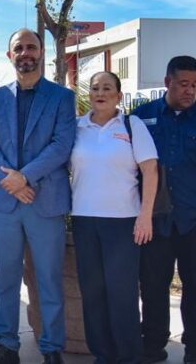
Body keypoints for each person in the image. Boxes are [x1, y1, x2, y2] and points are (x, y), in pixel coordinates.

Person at [130, 55, 196, 364]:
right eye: (183, 84)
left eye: (194, 84)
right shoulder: (142, 117)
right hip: (155, 218)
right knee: (152, 285)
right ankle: (152, 346)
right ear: (167, 82)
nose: (190, 91)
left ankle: (195, 349)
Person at [0, 29, 76, 364]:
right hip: (6, 202)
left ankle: (51, 348)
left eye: (31, 47)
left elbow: (62, 145)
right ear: (10, 56)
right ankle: (7, 344)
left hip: (43, 201)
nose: (25, 53)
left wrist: (25, 177)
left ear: (42, 52)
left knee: (48, 278)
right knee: (5, 278)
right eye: (18, 48)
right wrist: (13, 181)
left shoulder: (62, 98)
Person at [69, 71, 159, 364]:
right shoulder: (76, 128)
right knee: (92, 292)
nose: (100, 93)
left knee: (122, 293)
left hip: (123, 222)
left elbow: (150, 171)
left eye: (108, 88)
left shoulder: (132, 126)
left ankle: (129, 356)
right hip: (84, 220)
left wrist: (145, 216)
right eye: (95, 88)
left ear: (119, 95)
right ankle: (103, 354)